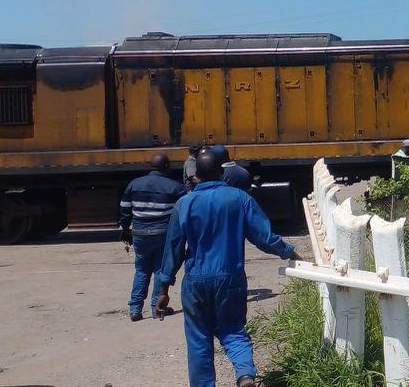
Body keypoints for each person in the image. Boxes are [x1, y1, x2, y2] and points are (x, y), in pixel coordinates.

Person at [154, 150, 301, 387]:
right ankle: (244, 375)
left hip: (196, 281)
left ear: (195, 177)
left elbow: (173, 249)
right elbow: (263, 237)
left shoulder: (184, 204)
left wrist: (162, 289)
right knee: (233, 330)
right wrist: (289, 252)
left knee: (199, 339)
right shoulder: (239, 199)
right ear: (222, 173)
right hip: (230, 278)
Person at [119, 153, 188, 322]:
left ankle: (135, 309)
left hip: (140, 234)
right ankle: (157, 309)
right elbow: (183, 213)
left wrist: (126, 231)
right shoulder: (175, 187)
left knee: (141, 270)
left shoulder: (134, 184)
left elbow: (125, 210)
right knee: (159, 270)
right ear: (166, 167)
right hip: (162, 235)